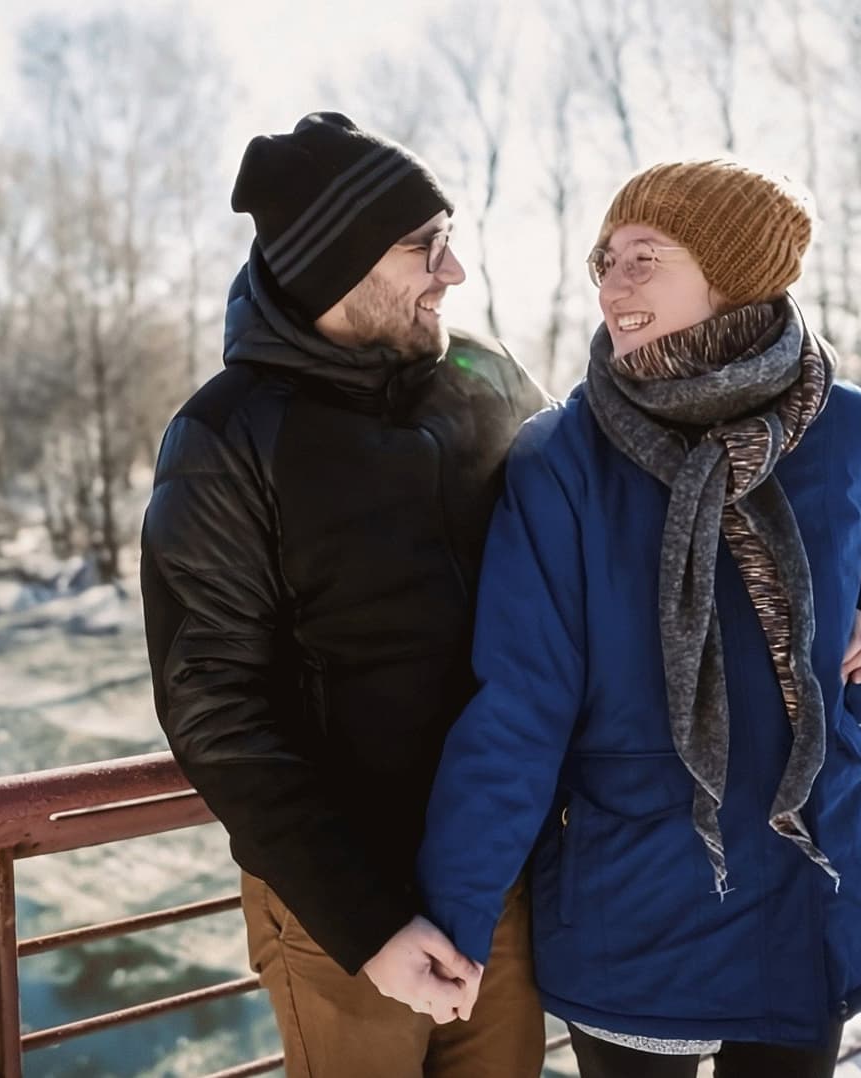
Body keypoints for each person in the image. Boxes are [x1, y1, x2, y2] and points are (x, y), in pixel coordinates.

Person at [415, 158, 861, 1078]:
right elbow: (521, 704)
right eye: (605, 261)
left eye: (644, 259)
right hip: (641, 899)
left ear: (733, 271)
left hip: (810, 881)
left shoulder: (849, 429)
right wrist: (457, 911)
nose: (612, 285)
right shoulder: (563, 457)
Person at [140, 112, 549, 1077]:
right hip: (345, 911)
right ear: (337, 266)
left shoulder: (486, 379)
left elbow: (607, 530)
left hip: (503, 871)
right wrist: (368, 926)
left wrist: (831, 589)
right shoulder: (226, 437)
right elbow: (214, 702)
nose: (453, 272)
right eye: (424, 248)